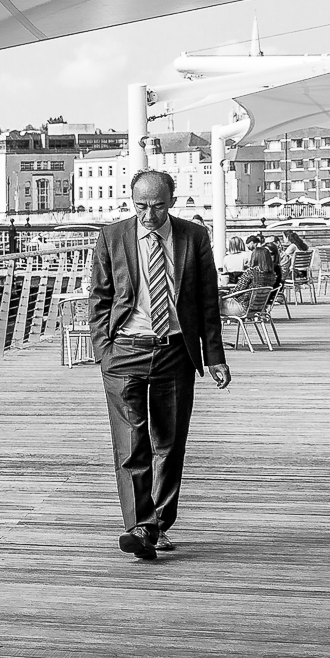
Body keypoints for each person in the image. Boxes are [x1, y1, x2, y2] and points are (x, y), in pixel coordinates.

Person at [87, 169, 230, 562]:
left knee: (168, 443)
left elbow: (206, 301)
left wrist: (213, 355)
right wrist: (105, 350)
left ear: (173, 200)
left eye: (158, 206)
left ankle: (158, 526)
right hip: (125, 352)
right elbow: (99, 297)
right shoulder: (112, 236)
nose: (149, 215)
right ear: (131, 201)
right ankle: (140, 526)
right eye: (141, 206)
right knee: (130, 443)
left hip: (175, 351)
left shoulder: (194, 237)